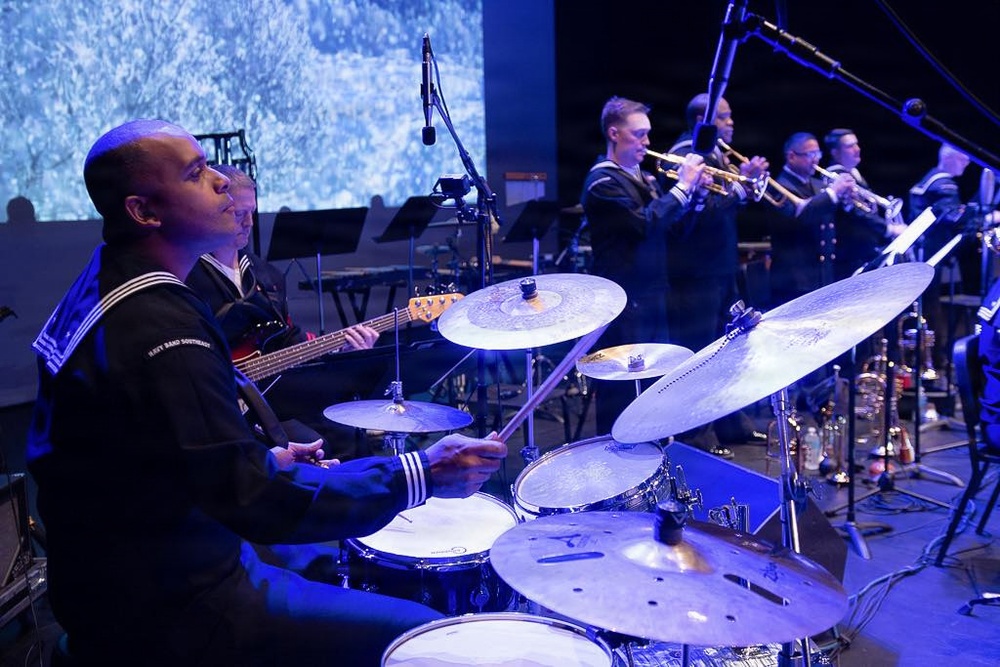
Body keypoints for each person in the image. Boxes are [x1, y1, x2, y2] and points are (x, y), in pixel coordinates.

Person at [25, 119, 507, 665]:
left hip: (124, 567)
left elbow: (139, 450)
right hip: (169, 603)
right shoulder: (157, 324)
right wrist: (421, 474)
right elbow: (257, 501)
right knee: (429, 636)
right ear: (144, 212)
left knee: (332, 561)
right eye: (196, 173)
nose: (222, 182)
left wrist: (257, 455)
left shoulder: (106, 283)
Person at [185, 164, 379, 462]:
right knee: (316, 443)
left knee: (348, 431)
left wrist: (340, 348)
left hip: (275, 393)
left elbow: (285, 340)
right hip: (219, 407)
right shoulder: (187, 275)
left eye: (253, 212)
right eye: (239, 214)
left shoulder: (266, 274)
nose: (249, 223)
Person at [580, 95, 706, 437]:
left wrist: (696, 197)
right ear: (614, 134)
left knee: (653, 384)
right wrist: (682, 187)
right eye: (639, 135)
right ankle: (615, 461)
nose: (648, 143)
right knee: (623, 391)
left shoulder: (643, 179)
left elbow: (675, 230)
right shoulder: (602, 183)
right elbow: (644, 224)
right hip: (626, 300)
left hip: (653, 292)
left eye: (648, 134)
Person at [662, 93, 770, 456]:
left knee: (733, 348)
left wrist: (746, 186)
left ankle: (730, 424)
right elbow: (698, 216)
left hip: (722, 267)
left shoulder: (716, 154)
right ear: (702, 121)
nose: (732, 123)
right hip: (696, 272)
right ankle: (695, 436)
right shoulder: (686, 155)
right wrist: (740, 186)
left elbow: (723, 207)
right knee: (702, 353)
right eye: (724, 118)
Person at [909, 143, 999, 371]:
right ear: (950, 157)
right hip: (931, 260)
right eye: (963, 158)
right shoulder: (944, 183)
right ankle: (935, 365)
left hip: (922, 258)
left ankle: (932, 363)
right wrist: (989, 216)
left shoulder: (930, 178)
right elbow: (954, 219)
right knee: (931, 314)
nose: (967, 162)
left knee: (928, 313)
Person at [769, 131, 857, 306]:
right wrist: (834, 192)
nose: (816, 160)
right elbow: (802, 216)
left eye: (817, 154)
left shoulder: (817, 184)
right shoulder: (778, 186)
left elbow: (829, 218)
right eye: (810, 154)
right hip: (794, 281)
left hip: (823, 276)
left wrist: (847, 200)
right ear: (792, 157)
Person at [822, 128, 906, 280]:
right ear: (835, 152)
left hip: (865, 251)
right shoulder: (836, 177)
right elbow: (857, 212)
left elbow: (868, 207)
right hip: (849, 257)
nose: (857, 149)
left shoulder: (853, 173)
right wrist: (889, 228)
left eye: (857, 144)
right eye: (849, 146)